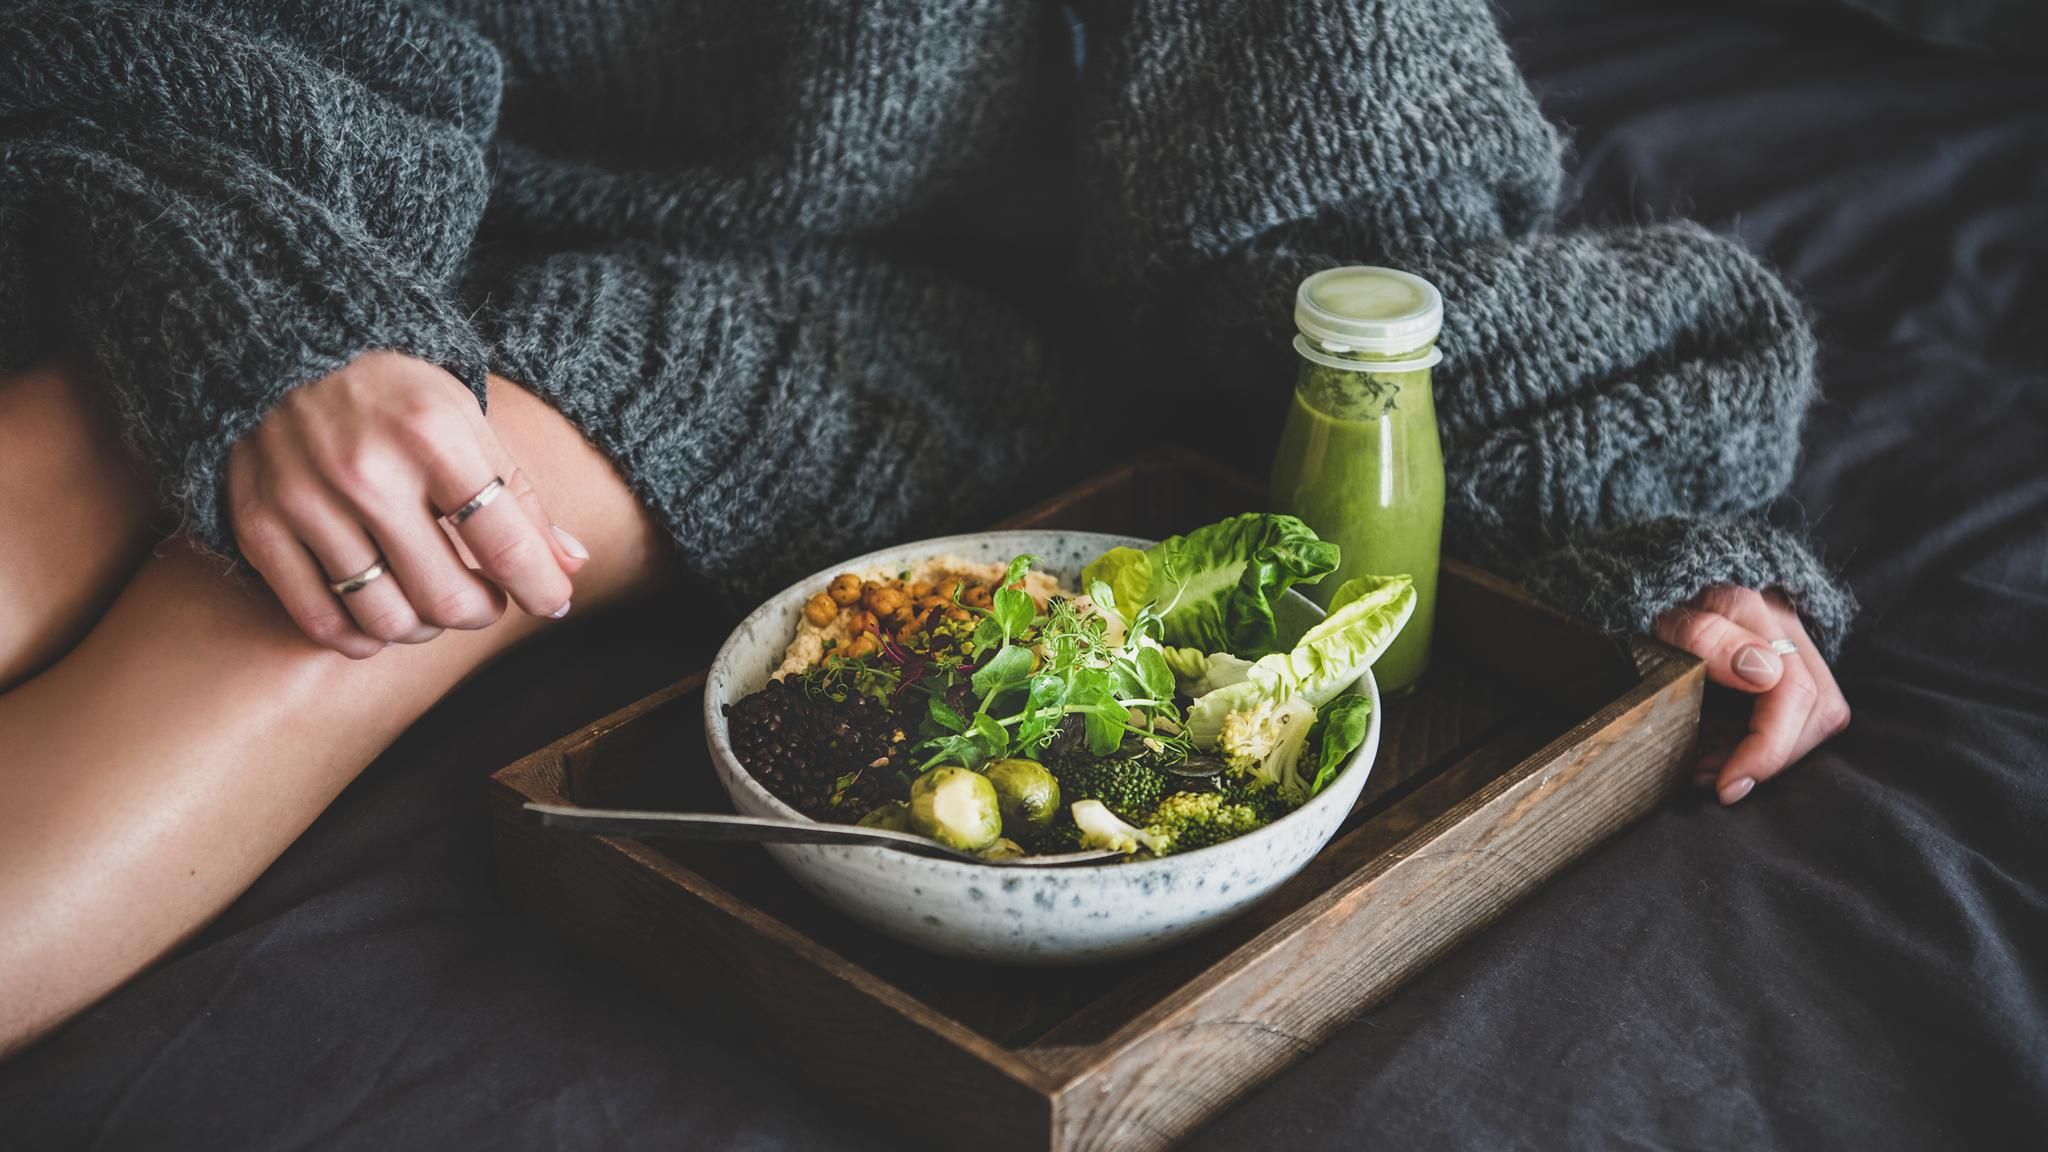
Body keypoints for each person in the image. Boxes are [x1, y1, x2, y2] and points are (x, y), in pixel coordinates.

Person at [0, 0, 1849, 1055]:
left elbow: (1363, 231)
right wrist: (271, 316)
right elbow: (204, 53)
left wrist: (1636, 521)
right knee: (70, 439)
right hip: (333, 170)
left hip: (916, 304)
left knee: (338, 585)